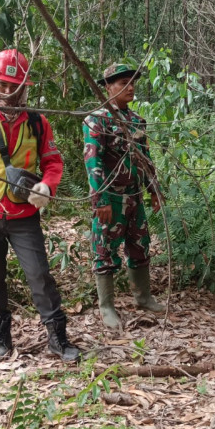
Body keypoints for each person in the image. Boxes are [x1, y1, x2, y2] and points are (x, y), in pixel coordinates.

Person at [0, 48, 80, 362]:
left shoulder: (37, 123)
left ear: (25, 87)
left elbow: (52, 162)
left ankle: (58, 340)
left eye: (13, 86)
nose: (7, 92)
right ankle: (1, 341)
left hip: (24, 215)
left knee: (39, 276)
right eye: (2, 85)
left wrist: (46, 186)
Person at [82, 63, 165, 329]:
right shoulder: (98, 120)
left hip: (134, 197)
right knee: (105, 250)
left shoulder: (137, 121)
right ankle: (106, 306)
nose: (130, 88)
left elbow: (145, 158)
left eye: (132, 83)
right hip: (112, 199)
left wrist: (154, 190)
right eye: (122, 84)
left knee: (140, 247)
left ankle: (143, 297)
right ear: (107, 87)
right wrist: (100, 199)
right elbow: (92, 161)